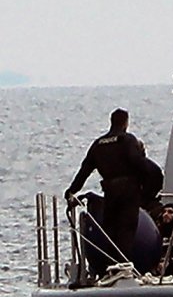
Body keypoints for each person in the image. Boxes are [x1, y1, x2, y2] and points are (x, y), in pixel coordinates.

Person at [65, 108, 155, 271]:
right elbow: (137, 162)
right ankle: (123, 267)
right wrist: (149, 181)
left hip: (110, 193)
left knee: (110, 230)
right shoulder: (127, 140)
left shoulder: (98, 144)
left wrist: (72, 190)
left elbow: (84, 170)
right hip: (129, 191)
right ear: (126, 123)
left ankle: (110, 266)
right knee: (126, 229)